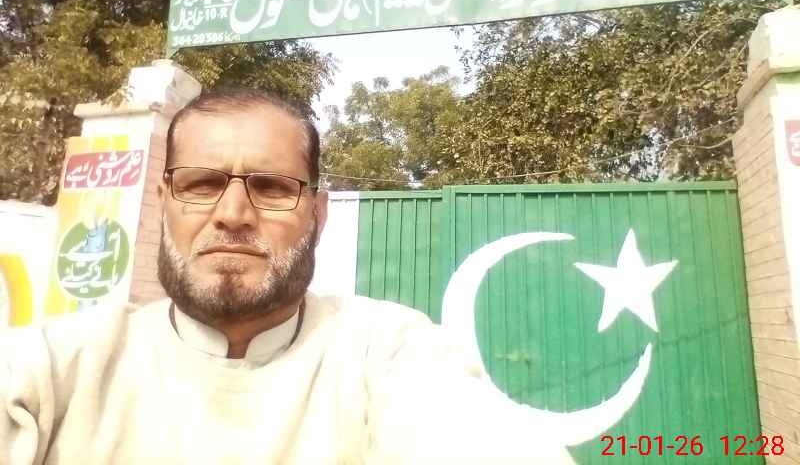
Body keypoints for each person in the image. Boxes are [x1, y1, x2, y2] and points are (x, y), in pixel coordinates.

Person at [0, 88, 574, 464]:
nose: (232, 214)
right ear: (165, 201)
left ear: (317, 215)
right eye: (202, 184)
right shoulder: (57, 367)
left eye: (272, 188)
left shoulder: (388, 352)